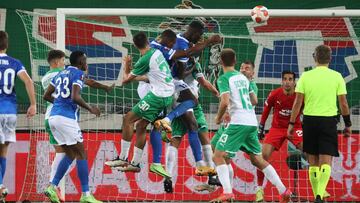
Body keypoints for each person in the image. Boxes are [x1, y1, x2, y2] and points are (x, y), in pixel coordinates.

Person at [211, 48, 291, 203]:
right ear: (235, 62)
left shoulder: (223, 78)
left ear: (221, 62)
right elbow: (254, 100)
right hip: (251, 122)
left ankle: (227, 193)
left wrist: (218, 117)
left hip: (238, 123)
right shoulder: (244, 79)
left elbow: (225, 101)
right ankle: (283, 190)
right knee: (257, 160)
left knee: (217, 155)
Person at [42, 49, 114, 199]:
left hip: (54, 117)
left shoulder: (61, 73)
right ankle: (86, 195)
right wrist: (90, 108)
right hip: (66, 119)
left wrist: (60, 103)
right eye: (85, 60)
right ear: (81, 62)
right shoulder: (77, 73)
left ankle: (52, 186)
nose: (86, 63)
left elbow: (46, 95)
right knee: (82, 154)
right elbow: (75, 96)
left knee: (70, 154)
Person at [287, 45, 351, 203]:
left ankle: (318, 195)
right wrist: (348, 124)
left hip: (309, 121)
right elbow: (343, 103)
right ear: (330, 58)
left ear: (314, 57)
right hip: (328, 121)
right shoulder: (337, 76)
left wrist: (291, 123)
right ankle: (319, 195)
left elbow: (297, 103)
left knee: (313, 162)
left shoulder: (305, 76)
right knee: (326, 161)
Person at [104, 32, 175, 177]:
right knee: (141, 125)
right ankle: (135, 164)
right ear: (148, 42)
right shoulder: (156, 52)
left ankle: (122, 158)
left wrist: (127, 65)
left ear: (135, 46)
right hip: (167, 94)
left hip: (158, 96)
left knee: (128, 119)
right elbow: (146, 77)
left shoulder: (144, 60)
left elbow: (125, 80)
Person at [0, 31, 36, 202]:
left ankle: (0, 186)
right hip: (9, 112)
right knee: (3, 151)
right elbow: (28, 81)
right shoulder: (15, 62)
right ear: (6, 45)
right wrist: (33, 104)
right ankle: (0, 187)